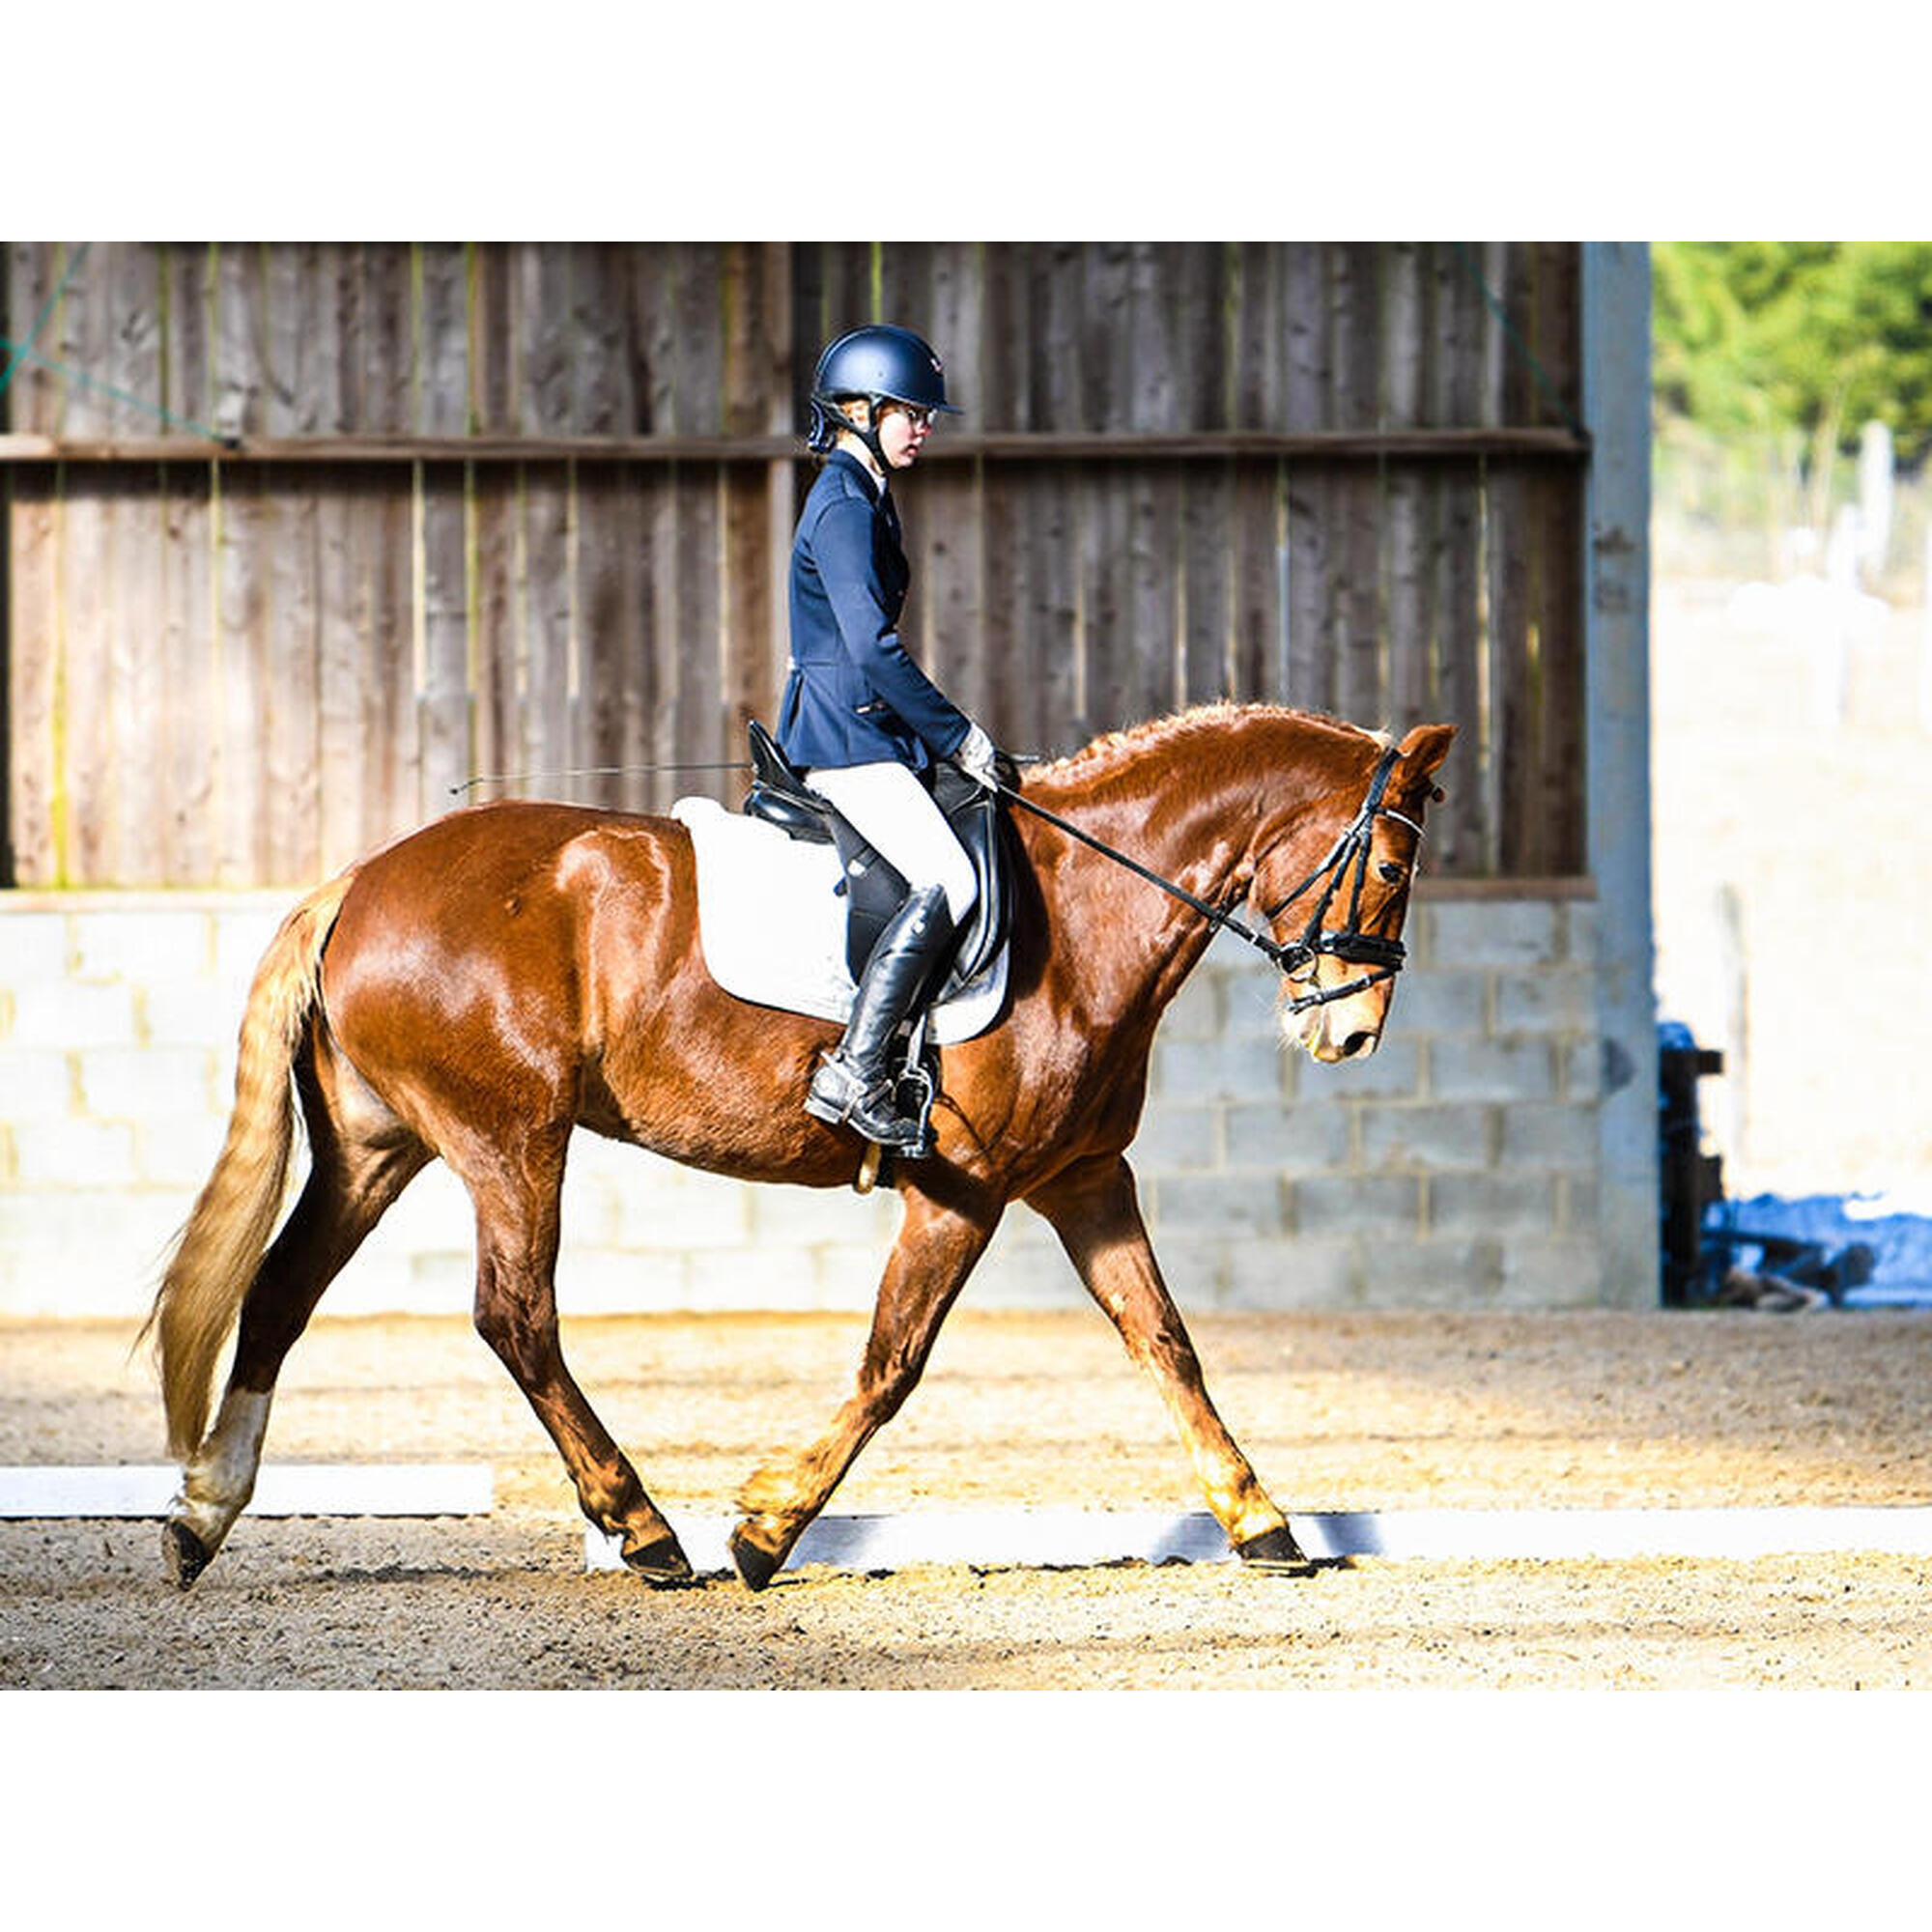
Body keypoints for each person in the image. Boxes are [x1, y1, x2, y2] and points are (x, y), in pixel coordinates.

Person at [776, 324, 1004, 1155]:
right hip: (845, 738)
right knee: (950, 877)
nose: (925, 427)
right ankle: (856, 1071)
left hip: (869, 731)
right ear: (861, 409)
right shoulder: (840, 503)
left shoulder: (867, 492)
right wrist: (959, 735)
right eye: (911, 412)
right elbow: (871, 649)